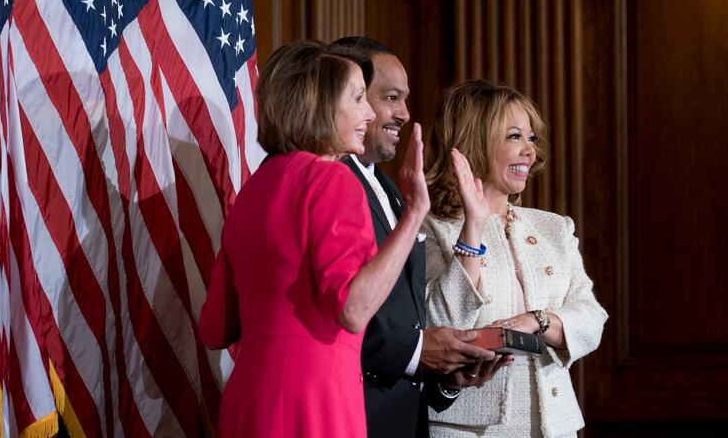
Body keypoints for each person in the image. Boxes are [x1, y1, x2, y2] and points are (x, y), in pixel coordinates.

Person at [198, 40, 430, 437]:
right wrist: (413, 215)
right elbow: (354, 310)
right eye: (359, 98)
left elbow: (215, 328)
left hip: (249, 404)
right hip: (315, 403)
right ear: (322, 105)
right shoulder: (332, 179)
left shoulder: (255, 189)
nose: (370, 113)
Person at [332, 37, 507, 438]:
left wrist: (444, 379)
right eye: (389, 97)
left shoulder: (395, 191)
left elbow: (405, 316)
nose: (404, 114)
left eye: (405, 99)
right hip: (351, 418)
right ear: (346, 95)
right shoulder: (330, 184)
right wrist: (417, 352)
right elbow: (338, 308)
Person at [421, 80, 608, 437]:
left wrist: (538, 320)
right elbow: (441, 323)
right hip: (466, 428)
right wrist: (473, 227)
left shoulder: (555, 228)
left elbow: (592, 318)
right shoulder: (433, 227)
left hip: (555, 426)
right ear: (475, 140)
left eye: (532, 139)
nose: (529, 151)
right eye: (514, 137)